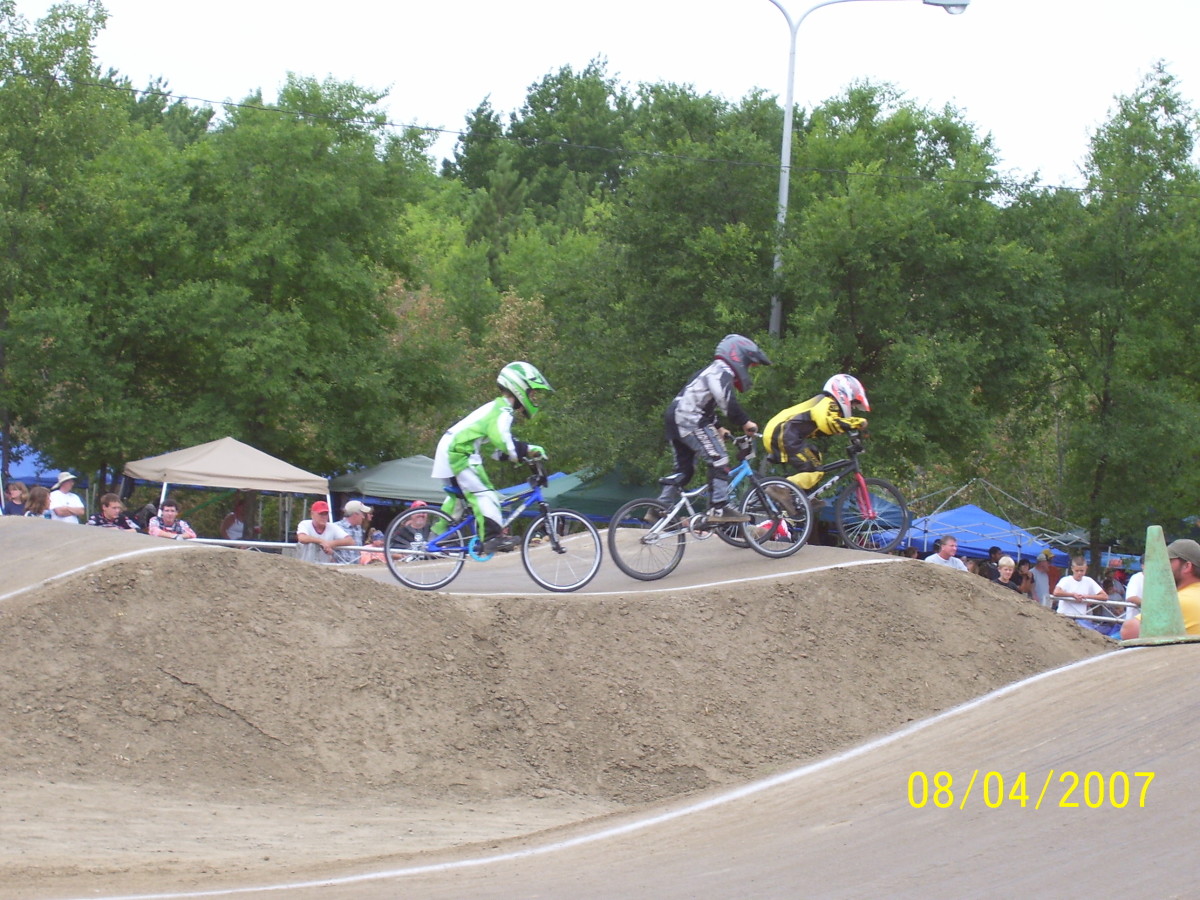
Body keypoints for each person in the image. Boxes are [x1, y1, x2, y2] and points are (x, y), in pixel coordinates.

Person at [432, 361, 554, 554]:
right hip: (459, 452)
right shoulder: (502, 411)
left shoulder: (494, 409)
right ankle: (492, 538)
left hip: (449, 449)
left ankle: (434, 539)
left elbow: (494, 450)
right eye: (532, 393)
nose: (533, 398)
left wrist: (524, 453)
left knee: (457, 500)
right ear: (520, 387)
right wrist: (525, 451)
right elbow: (504, 442)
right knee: (485, 494)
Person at [653, 335, 772, 525]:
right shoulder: (721, 372)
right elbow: (727, 402)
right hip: (689, 419)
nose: (748, 369)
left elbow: (703, 404)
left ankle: (659, 508)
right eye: (749, 365)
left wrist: (718, 427)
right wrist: (745, 422)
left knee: (685, 470)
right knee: (719, 458)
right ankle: (719, 507)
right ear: (738, 357)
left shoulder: (709, 372)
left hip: (677, 417)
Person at [762, 374, 870, 500]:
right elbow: (828, 423)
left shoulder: (825, 404)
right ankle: (779, 488)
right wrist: (857, 422)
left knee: (814, 455)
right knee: (815, 471)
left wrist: (851, 433)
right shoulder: (828, 402)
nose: (852, 407)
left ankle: (804, 499)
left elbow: (824, 428)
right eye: (853, 403)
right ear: (843, 393)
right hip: (783, 432)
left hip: (782, 433)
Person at [1121, 541, 1200, 639]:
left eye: (1167, 561)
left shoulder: (1177, 602)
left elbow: (1129, 631)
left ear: (1187, 566)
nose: (1161, 567)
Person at [1052, 555, 1108, 632]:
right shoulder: (1065, 580)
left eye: (1082, 571)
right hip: (1063, 617)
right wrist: (1073, 595)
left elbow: (1104, 596)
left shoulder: (1089, 581)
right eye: (1077, 570)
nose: (1079, 573)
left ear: (1086, 568)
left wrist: (1087, 597)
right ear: (1072, 569)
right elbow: (1056, 592)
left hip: (1080, 619)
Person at [294, 500, 353, 564]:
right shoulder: (305, 524)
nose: (324, 517)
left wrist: (330, 544)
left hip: (324, 567)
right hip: (304, 566)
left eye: (326, 514)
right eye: (321, 514)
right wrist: (321, 541)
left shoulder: (332, 527)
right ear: (312, 514)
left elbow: (350, 541)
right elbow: (302, 538)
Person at [334, 499, 372, 563]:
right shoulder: (335, 527)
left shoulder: (359, 529)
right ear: (355, 514)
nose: (363, 517)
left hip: (356, 567)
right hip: (340, 567)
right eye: (362, 514)